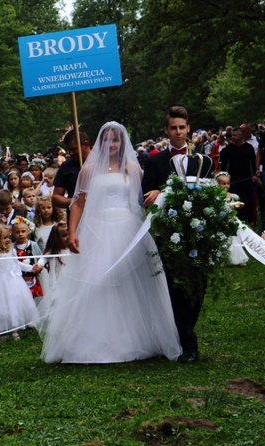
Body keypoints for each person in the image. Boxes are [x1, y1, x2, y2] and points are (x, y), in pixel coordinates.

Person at [42, 121, 182, 364]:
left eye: (116, 139)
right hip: (97, 229)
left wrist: (158, 193)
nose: (112, 144)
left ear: (122, 142)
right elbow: (78, 202)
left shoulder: (132, 168)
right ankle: (94, 341)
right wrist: (73, 232)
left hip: (127, 227)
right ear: (100, 142)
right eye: (107, 139)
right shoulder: (89, 169)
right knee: (98, 282)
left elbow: (143, 197)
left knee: (129, 282)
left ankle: (134, 338)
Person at [142, 107, 213, 363]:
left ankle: (186, 333)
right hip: (169, 233)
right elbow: (146, 195)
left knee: (198, 285)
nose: (178, 132)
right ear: (166, 131)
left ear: (188, 129)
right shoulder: (155, 161)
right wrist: (160, 194)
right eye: (173, 128)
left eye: (182, 127)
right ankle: (187, 341)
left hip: (199, 232)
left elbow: (211, 190)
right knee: (174, 286)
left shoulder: (202, 158)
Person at [0, 223, 39, 341]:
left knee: (14, 305)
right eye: (4, 237)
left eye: (8, 237)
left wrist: (31, 268)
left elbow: (16, 264)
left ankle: (14, 328)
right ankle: (2, 331)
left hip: (13, 281)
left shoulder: (11, 250)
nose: (8, 240)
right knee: (1, 308)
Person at [220, 128, 256, 222]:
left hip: (246, 178)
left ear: (241, 136)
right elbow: (224, 164)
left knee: (246, 199)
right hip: (233, 178)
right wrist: (223, 176)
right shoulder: (228, 149)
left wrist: (255, 174)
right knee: (234, 197)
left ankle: (247, 218)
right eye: (232, 135)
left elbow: (253, 162)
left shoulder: (248, 148)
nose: (233, 137)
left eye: (235, 135)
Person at [215, 172, 249, 265]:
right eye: (223, 184)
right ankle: (221, 258)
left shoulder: (232, 196)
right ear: (217, 184)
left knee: (233, 237)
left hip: (231, 219)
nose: (226, 186)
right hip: (219, 220)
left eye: (228, 183)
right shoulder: (215, 197)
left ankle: (237, 258)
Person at [52, 130, 92, 210]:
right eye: (69, 150)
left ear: (86, 145)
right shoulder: (66, 166)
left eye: (74, 149)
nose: (71, 153)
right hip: (76, 216)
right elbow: (56, 198)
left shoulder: (103, 163)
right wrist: (76, 201)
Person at [12, 216, 43, 301]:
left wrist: (39, 267)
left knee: (31, 300)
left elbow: (40, 258)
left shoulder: (33, 245)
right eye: (17, 232)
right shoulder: (11, 247)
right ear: (13, 233)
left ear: (28, 232)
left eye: (23, 231)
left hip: (31, 279)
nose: (20, 234)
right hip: (17, 280)